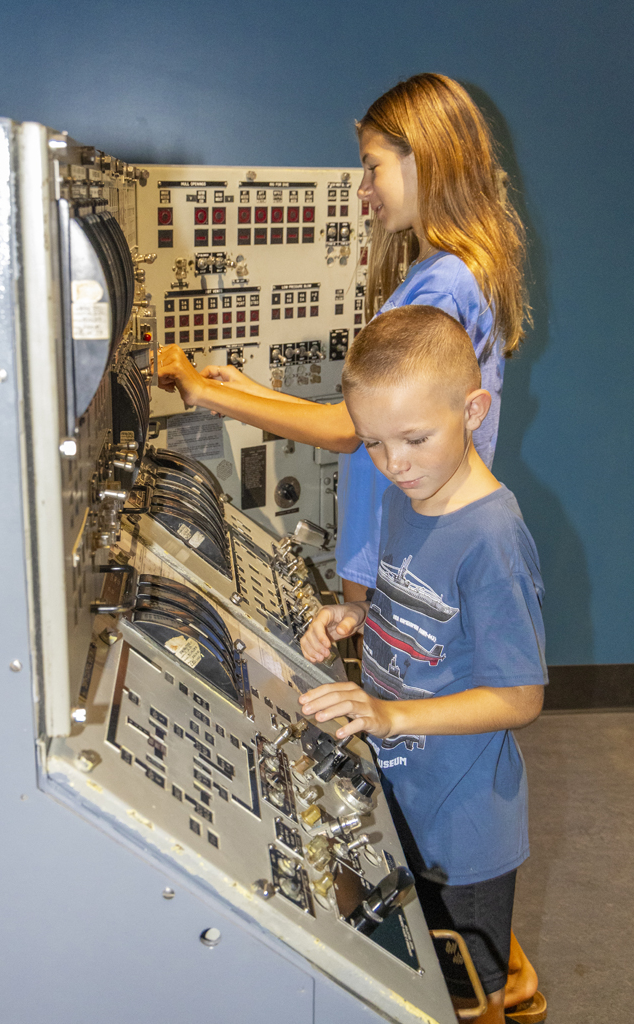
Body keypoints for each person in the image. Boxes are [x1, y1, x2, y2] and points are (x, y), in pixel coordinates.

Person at [157, 74, 543, 1020]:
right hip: (405, 622)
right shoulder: (447, 277)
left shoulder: (443, 283)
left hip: (444, 728)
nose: (361, 186)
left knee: (458, 941)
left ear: (427, 157)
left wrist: (211, 392)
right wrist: (363, 602)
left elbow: (347, 425)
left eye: (373, 165)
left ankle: (485, 979)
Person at [298, 305, 547, 1024]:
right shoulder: (411, 498)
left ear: (473, 410)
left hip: (463, 827)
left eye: (413, 438)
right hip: (401, 794)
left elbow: (520, 697)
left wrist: (392, 715)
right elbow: (416, 609)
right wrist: (358, 617)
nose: (393, 464)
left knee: (468, 1000)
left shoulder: (493, 536)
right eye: (373, 444)